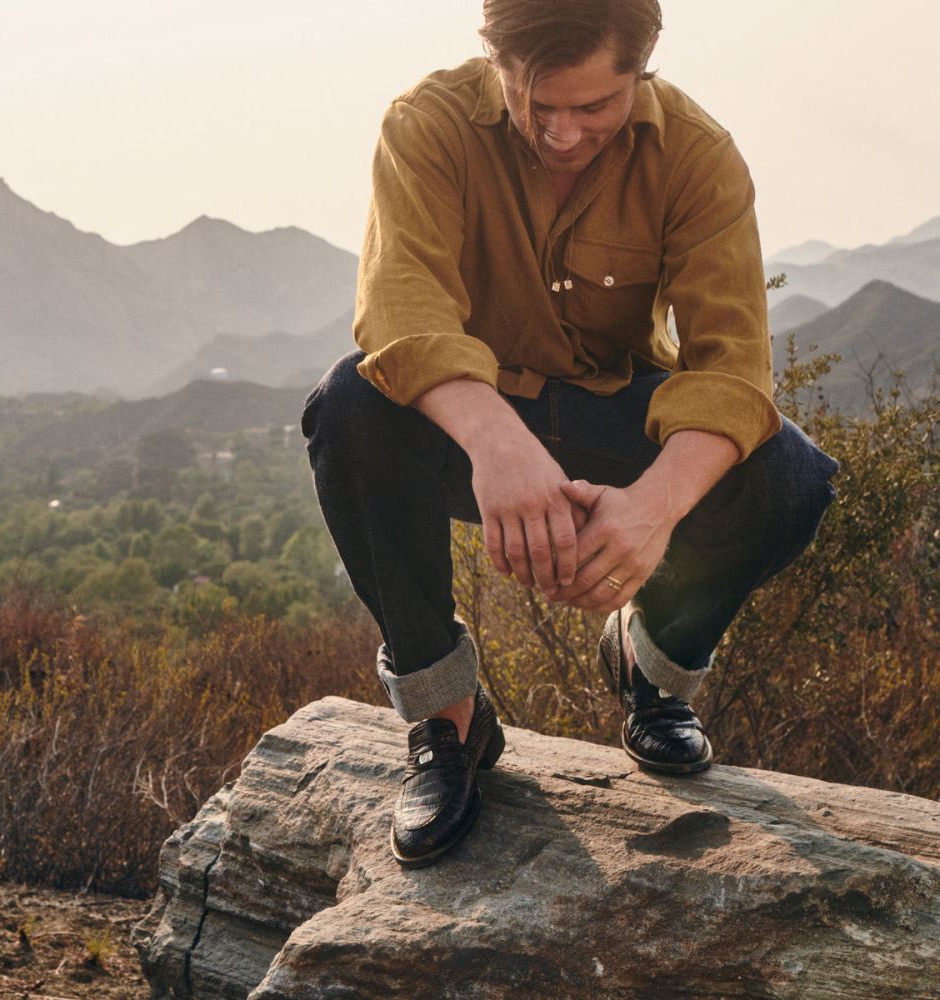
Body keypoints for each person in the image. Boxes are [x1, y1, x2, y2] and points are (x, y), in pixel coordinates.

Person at [301, 0, 839, 868]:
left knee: (791, 476)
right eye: (534, 102)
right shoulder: (426, 125)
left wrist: (653, 511)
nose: (561, 133)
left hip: (614, 413)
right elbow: (401, 311)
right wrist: (497, 445)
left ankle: (653, 665)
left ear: (643, 66)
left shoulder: (697, 156)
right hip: (467, 423)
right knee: (348, 407)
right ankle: (449, 722)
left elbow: (732, 372)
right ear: (496, 57)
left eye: (593, 107)